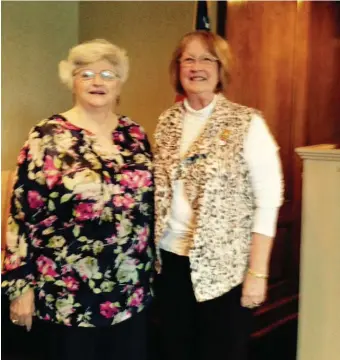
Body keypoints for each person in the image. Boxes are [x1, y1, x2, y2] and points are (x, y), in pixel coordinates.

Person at [1, 39, 154, 360]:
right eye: (86, 73)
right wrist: (19, 286)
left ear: (120, 82)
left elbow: (148, 207)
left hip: (130, 293)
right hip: (66, 296)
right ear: (72, 80)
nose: (97, 82)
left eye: (108, 74)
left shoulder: (135, 134)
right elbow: (20, 214)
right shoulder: (46, 136)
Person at [154, 31, 284, 360]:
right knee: (173, 351)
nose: (197, 67)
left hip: (225, 271)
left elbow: (268, 200)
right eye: (189, 59)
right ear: (177, 68)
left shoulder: (246, 122)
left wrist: (257, 273)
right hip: (169, 263)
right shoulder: (167, 121)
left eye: (206, 59)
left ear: (220, 67)